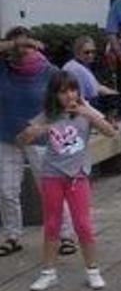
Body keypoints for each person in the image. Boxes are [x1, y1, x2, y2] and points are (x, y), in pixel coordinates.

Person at [21, 72, 120, 291]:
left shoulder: (84, 112)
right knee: (52, 224)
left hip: (78, 176)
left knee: (83, 224)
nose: (69, 95)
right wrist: (35, 131)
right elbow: (22, 138)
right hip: (52, 176)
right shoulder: (48, 114)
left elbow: (110, 132)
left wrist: (87, 112)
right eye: (63, 91)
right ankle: (48, 272)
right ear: (55, 95)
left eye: (72, 90)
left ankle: (93, 270)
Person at [0, 29, 77, 261]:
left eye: (27, 46)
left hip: (40, 138)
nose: (22, 51)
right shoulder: (4, 70)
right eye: (17, 47)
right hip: (6, 135)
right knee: (6, 189)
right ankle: (12, 235)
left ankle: (65, 235)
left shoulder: (50, 72)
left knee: (49, 188)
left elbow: (66, 102)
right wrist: (17, 43)